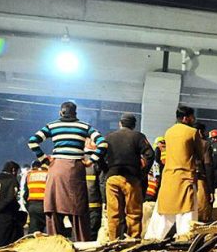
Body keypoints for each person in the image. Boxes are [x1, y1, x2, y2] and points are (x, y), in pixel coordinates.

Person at [28, 101, 106, 242]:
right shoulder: (84, 127)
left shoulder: (52, 125)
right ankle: (82, 248)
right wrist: (91, 160)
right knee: (78, 211)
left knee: (54, 210)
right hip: (76, 169)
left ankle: (55, 246)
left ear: (60, 112)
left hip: (56, 169)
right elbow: (103, 143)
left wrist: (45, 160)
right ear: (75, 113)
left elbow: (32, 141)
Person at [144, 106, 204, 240]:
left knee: (164, 212)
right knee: (187, 213)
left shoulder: (168, 132)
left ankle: (151, 240)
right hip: (185, 178)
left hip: (169, 178)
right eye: (192, 117)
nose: (193, 119)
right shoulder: (193, 132)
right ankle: (185, 242)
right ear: (185, 118)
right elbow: (200, 155)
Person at [103, 113, 154, 241]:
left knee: (113, 214)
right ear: (134, 125)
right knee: (133, 213)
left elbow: (99, 156)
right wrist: (142, 173)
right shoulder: (138, 136)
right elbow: (150, 154)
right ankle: (132, 242)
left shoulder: (109, 137)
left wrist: (107, 171)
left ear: (120, 123)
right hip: (131, 179)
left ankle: (113, 242)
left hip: (112, 178)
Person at [195, 123, 213, 223]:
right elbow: (208, 165)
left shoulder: (180, 142)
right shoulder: (204, 144)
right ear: (200, 132)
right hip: (199, 178)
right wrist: (211, 189)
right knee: (202, 208)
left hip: (182, 179)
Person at [23, 161, 48, 233]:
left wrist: (29, 206)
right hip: (45, 205)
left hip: (32, 205)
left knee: (34, 231)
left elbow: (25, 194)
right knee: (50, 231)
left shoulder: (30, 175)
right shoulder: (48, 173)